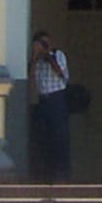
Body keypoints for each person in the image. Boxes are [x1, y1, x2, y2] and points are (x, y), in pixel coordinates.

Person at [30, 29, 71, 181]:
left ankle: (62, 174)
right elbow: (30, 75)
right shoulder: (37, 60)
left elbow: (60, 72)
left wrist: (48, 54)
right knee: (44, 137)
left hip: (57, 98)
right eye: (41, 43)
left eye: (46, 42)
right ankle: (45, 173)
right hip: (43, 100)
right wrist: (35, 57)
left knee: (60, 137)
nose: (44, 45)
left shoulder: (58, 55)